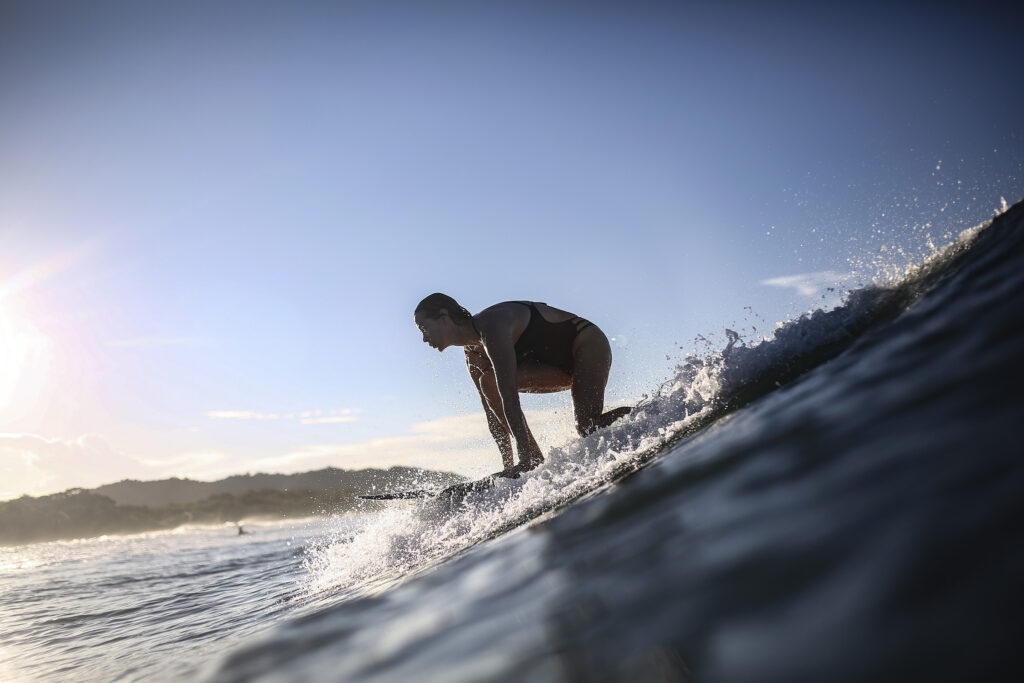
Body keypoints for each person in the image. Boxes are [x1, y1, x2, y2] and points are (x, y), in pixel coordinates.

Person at [414, 293, 631, 477]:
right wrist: (508, 467)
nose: (424, 338)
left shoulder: (492, 325)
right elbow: (494, 416)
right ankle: (535, 462)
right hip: (555, 367)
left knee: (588, 426)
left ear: (444, 317)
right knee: (488, 382)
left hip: (586, 343)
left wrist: (522, 459)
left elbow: (510, 397)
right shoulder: (473, 356)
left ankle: (656, 413)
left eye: (424, 327)